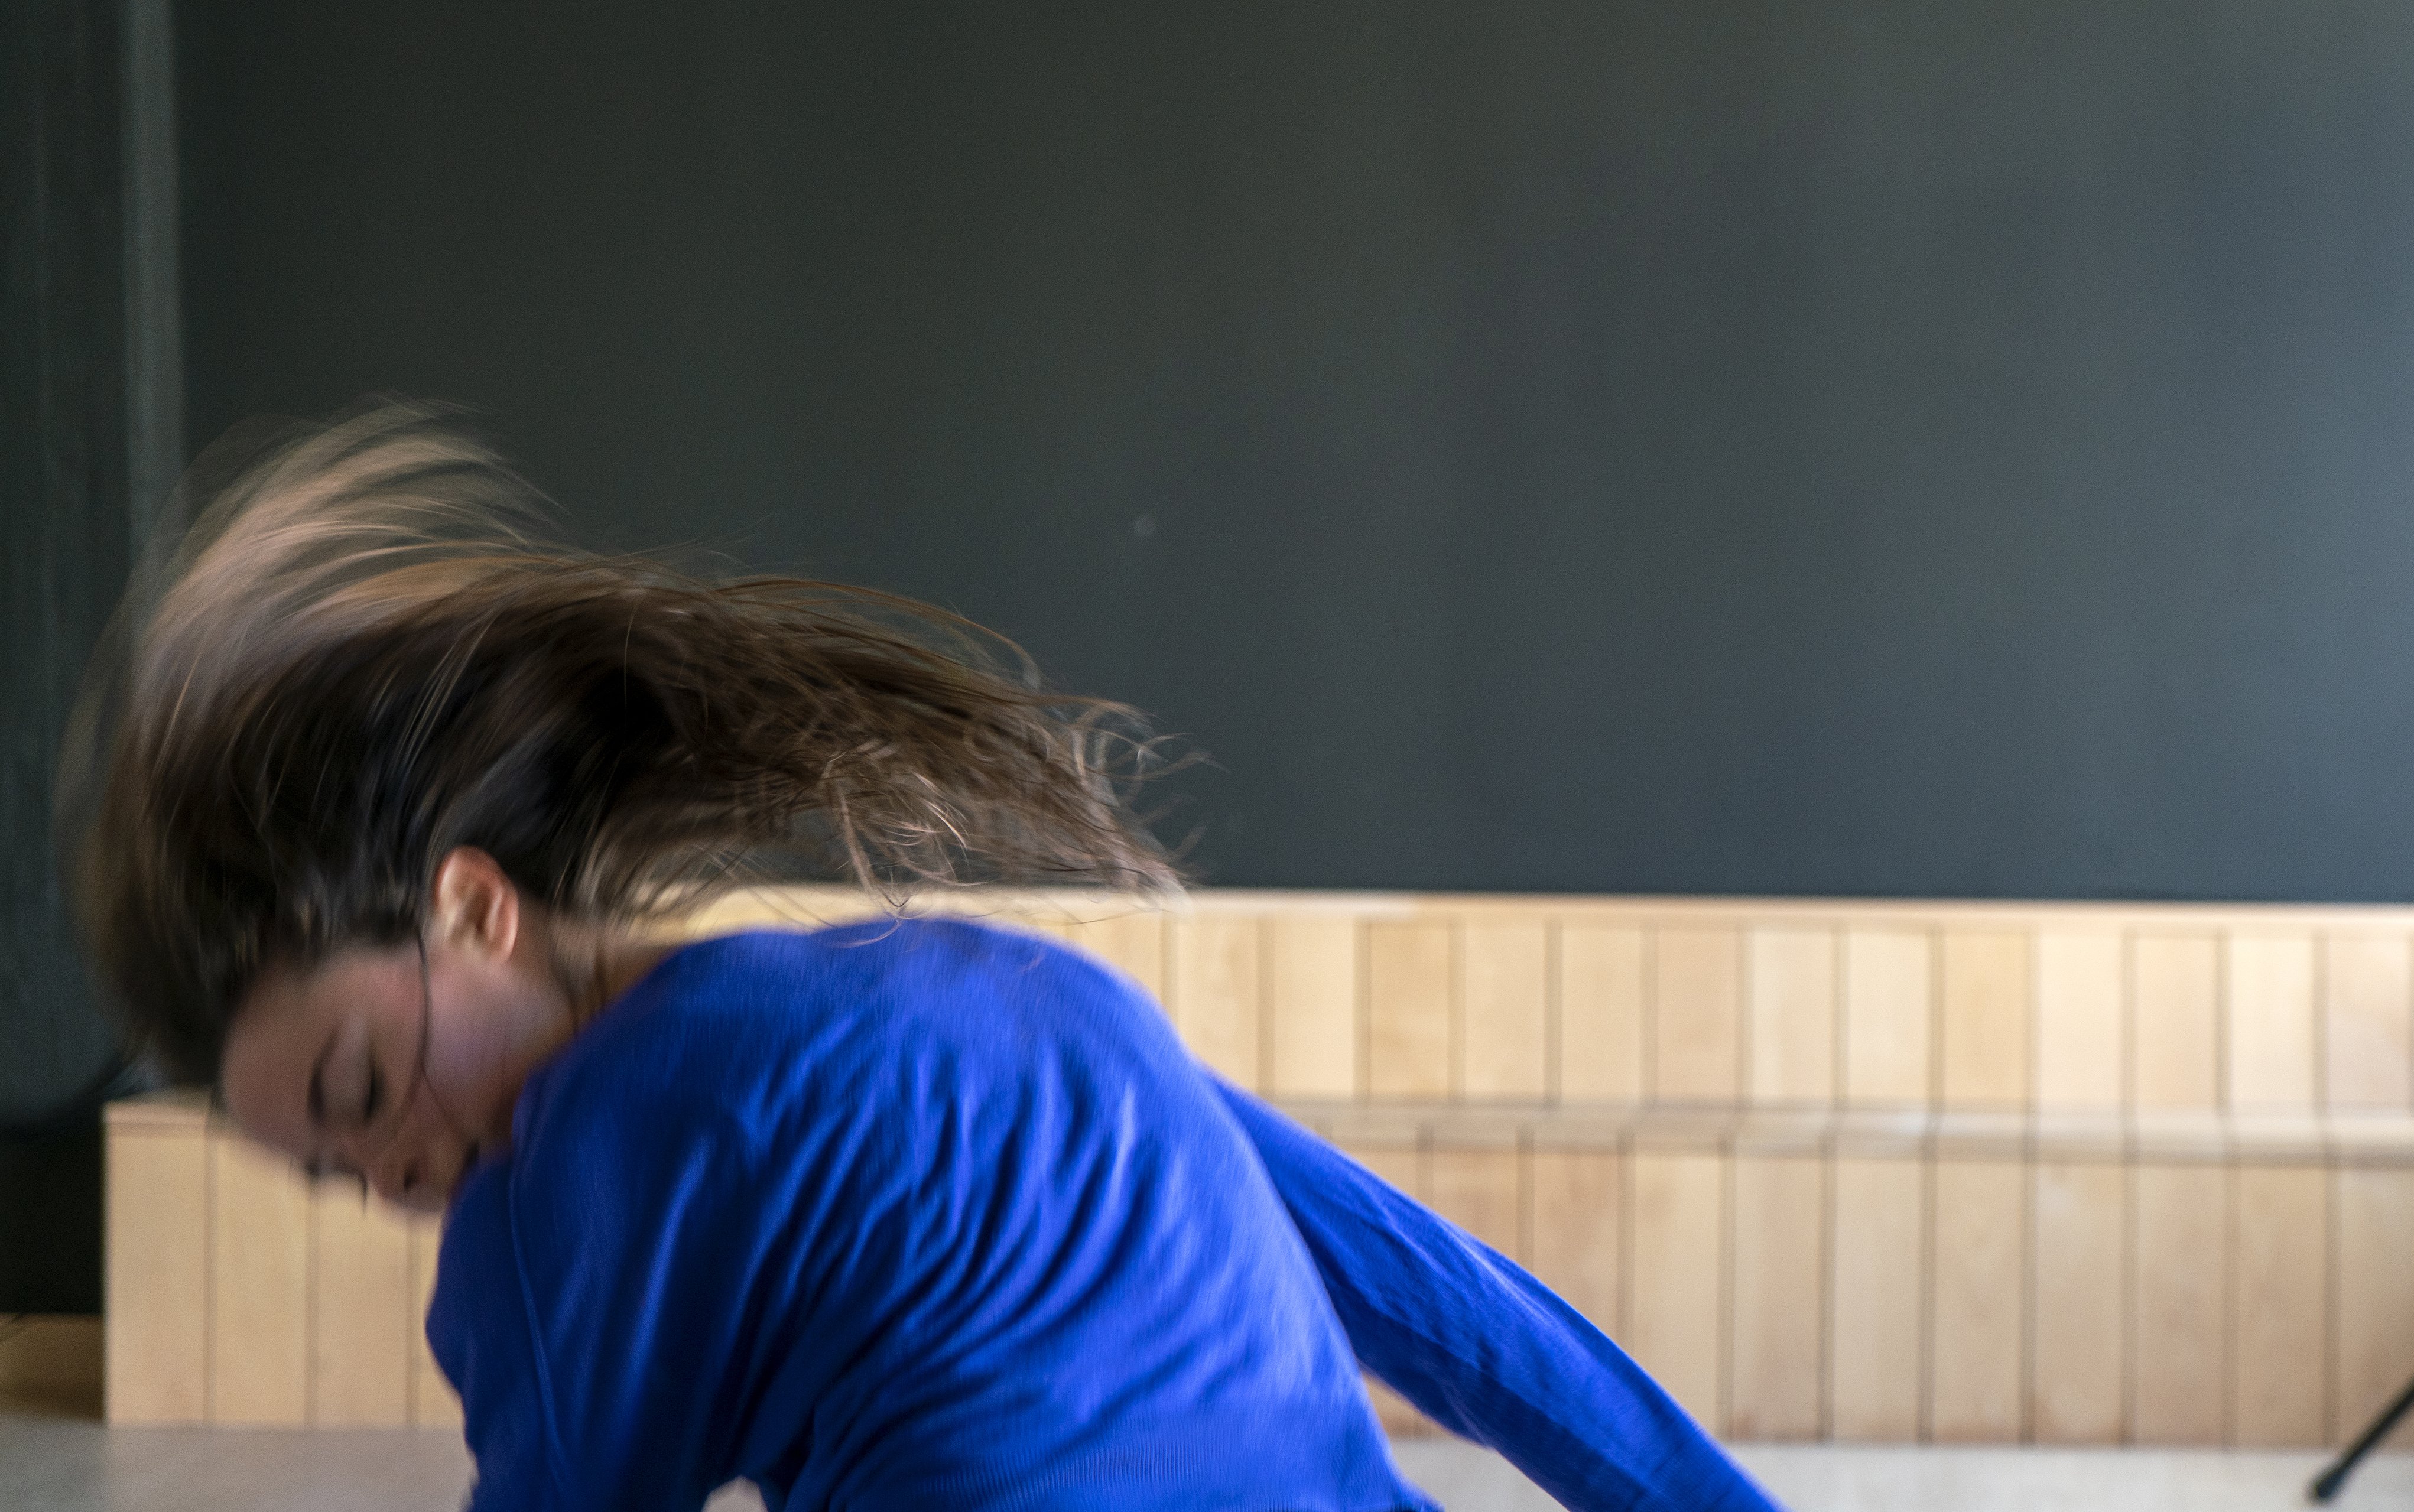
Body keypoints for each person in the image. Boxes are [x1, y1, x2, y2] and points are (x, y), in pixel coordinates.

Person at [62, 409, 1778, 1512]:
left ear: (474, 905)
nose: (382, 1167)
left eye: (360, 1088)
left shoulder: (553, 1194)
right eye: (325, 1163)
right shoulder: (1002, 990)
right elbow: (1441, 1302)